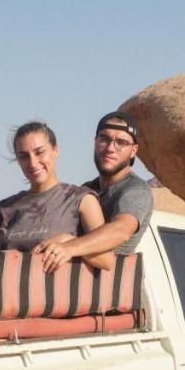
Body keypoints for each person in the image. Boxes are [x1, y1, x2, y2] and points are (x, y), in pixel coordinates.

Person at [0, 121, 115, 271]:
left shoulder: (81, 199)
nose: (33, 163)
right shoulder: (4, 208)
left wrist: (71, 243)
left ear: (55, 150)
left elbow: (107, 260)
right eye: (24, 156)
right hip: (8, 293)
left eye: (39, 152)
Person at [33, 111, 153, 272]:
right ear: (95, 141)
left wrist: (70, 245)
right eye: (104, 139)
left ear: (133, 150)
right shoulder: (86, 190)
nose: (110, 148)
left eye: (121, 142)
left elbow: (121, 230)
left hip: (108, 290)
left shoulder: (136, 191)